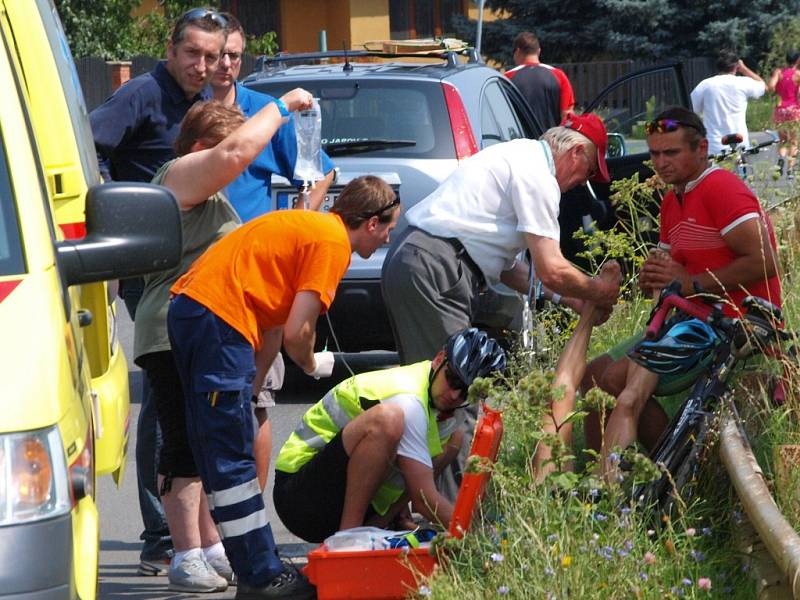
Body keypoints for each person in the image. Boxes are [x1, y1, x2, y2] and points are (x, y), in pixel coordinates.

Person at [167, 170, 400, 599]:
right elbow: (297, 334)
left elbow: (273, 325)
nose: (387, 239)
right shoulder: (332, 243)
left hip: (198, 311)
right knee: (231, 458)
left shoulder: (311, 229)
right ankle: (260, 575)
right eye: (388, 229)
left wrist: (251, 391)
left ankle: (256, 567)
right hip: (218, 319)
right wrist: (313, 363)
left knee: (220, 449)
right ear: (371, 222)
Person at [89, 7, 228, 576]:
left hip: (192, 262)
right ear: (171, 51)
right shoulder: (142, 94)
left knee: (188, 402)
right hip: (147, 264)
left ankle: (193, 537)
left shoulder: (207, 98)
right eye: (192, 53)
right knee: (167, 396)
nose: (202, 64)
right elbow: (92, 149)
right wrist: (111, 221)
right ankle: (160, 535)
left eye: (211, 55)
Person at [580, 107, 781, 477]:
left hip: (734, 322)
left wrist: (689, 283)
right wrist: (654, 281)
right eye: (655, 153)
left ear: (701, 148)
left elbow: (766, 261)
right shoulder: (673, 199)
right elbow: (670, 274)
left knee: (614, 382)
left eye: (670, 153)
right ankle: (603, 472)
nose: (660, 162)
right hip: (687, 314)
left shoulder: (721, 188)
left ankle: (670, 474)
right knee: (594, 373)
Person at [210, 12, 337, 492]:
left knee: (254, 399)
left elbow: (321, 170)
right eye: (219, 55)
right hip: (200, 276)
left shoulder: (265, 111)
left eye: (234, 56)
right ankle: (173, 532)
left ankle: (249, 517)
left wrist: (299, 223)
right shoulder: (192, 109)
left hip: (255, 279)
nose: (225, 65)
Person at [273, 328, 506, 542]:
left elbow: (415, 480)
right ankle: (347, 542)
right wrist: (479, 536)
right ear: (438, 359)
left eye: (466, 390)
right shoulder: (408, 398)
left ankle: (374, 529)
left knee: (454, 439)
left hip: (345, 502)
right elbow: (423, 498)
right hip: (300, 497)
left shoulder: (446, 411)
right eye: (453, 379)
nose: (455, 394)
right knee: (389, 419)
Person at [532, 261, 621, 483]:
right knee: (558, 399)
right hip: (559, 503)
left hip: (551, 502)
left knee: (556, 402)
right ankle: (589, 315)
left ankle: (589, 316)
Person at [690, 49, 766, 156]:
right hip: (740, 141)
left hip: (715, 144)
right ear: (736, 66)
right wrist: (744, 69)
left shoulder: (705, 85)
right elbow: (762, 86)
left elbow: (693, 109)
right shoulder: (742, 83)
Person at [505, 31, 576, 131]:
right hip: (550, 142)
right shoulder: (559, 75)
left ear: (517, 51)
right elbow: (567, 115)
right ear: (538, 51)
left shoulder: (507, 78)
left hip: (519, 142)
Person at [767, 50, 800, 178]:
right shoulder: (797, 74)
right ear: (797, 60)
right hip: (793, 109)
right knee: (793, 141)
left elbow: (770, 86)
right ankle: (790, 169)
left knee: (783, 140)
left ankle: (781, 158)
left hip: (780, 109)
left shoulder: (779, 73)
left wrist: (777, 92)